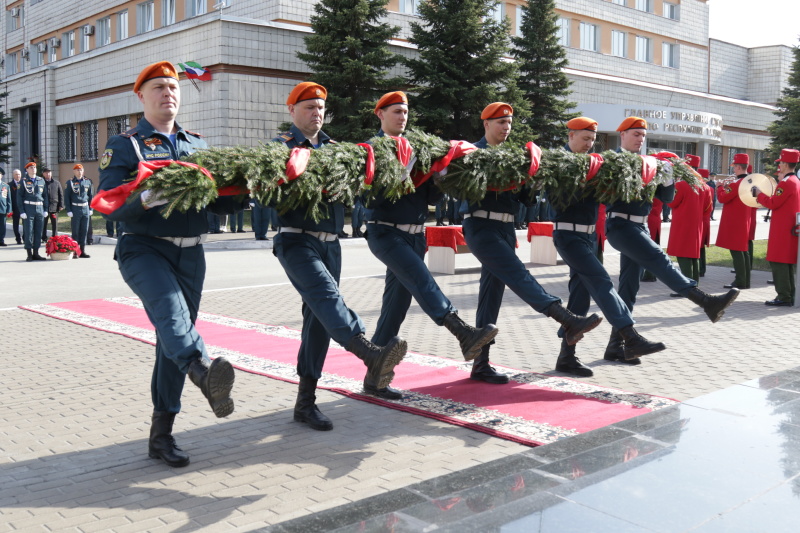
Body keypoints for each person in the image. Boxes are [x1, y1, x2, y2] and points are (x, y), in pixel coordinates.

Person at [96, 61, 240, 468]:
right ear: (141, 96)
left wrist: (246, 190)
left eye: (173, 87)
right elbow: (111, 202)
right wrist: (148, 195)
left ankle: (162, 436)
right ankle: (202, 370)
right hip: (144, 249)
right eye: (158, 87)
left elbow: (220, 199)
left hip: (191, 252)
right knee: (174, 318)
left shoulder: (197, 145)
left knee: (170, 343)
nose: (168, 93)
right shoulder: (126, 145)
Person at [272, 82, 407, 431]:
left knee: (318, 321)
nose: (316, 113)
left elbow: (358, 191)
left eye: (320, 108)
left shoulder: (337, 150)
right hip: (296, 240)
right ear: (292, 111)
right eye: (308, 107)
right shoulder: (279, 148)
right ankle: (368, 351)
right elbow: (270, 195)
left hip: (330, 243)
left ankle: (306, 402)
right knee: (328, 297)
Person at [364, 91, 499, 394]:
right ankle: (461, 332)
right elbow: (372, 193)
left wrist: (440, 178)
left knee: (395, 308)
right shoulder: (372, 149)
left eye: (405, 112)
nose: (402, 117)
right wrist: (405, 171)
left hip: (414, 235)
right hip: (385, 232)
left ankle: (374, 375)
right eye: (396, 111)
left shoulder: (417, 149)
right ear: (380, 115)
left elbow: (429, 198)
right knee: (423, 281)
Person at [462, 103, 603, 374]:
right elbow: (465, 191)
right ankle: (564, 317)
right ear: (486, 125)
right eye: (501, 122)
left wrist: (531, 183)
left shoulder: (514, 156)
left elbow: (524, 200)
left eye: (509, 123)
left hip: (505, 228)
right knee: (519, 276)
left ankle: (480, 363)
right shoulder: (473, 153)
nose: (506, 127)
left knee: (491, 295)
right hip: (480, 224)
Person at [603, 117, 740, 358]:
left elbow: (666, 199)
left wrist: (667, 178)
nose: (640, 139)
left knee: (628, 288)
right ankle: (705, 301)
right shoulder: (611, 161)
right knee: (659, 260)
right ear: (621, 134)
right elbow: (605, 196)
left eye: (643, 135)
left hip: (640, 226)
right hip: (620, 224)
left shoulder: (648, 163)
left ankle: (616, 346)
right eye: (635, 134)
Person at [552, 117, 664, 376]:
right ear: (570, 136)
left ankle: (586, 352)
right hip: (570, 235)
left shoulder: (597, 163)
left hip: (592, 236)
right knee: (595, 286)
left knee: (592, 294)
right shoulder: (562, 163)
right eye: (585, 139)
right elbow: (560, 202)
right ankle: (626, 338)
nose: (590, 144)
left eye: (593, 139)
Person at [752, 148, 800, 306]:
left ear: (786, 164)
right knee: (785, 262)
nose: (779, 166)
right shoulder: (796, 181)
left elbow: (773, 203)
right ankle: (789, 294)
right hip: (789, 227)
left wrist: (759, 194)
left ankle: (784, 296)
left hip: (782, 229)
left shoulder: (786, 183)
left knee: (779, 261)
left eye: (781, 163)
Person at [666, 154, 712, 293]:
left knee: (683, 255)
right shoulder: (704, 186)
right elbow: (707, 208)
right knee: (693, 255)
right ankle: (694, 284)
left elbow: (671, 202)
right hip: (696, 225)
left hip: (682, 224)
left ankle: (686, 288)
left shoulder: (681, 185)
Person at [716, 153, 753, 289]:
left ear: (738, 167)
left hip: (735, 221)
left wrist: (720, 187)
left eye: (734, 167)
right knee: (744, 251)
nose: (733, 170)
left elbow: (723, 198)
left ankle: (740, 281)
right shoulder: (750, 181)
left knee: (737, 251)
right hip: (744, 219)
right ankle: (746, 280)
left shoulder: (737, 183)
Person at [18, 162, 48, 261]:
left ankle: (36, 253)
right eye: (31, 168)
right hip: (28, 208)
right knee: (29, 231)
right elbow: (19, 197)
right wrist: (22, 211)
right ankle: (29, 253)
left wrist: (45, 209)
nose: (33, 169)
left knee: (38, 231)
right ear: (26, 170)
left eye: (34, 167)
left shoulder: (41, 180)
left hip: (39, 208)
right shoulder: (23, 181)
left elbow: (45, 196)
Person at [64, 163, 93, 258]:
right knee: (75, 231)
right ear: (74, 171)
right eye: (77, 170)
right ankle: (75, 251)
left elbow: (91, 196)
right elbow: (67, 197)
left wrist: (91, 208)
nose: (79, 172)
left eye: (81, 170)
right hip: (75, 208)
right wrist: (69, 210)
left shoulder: (88, 182)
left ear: (83, 171)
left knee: (84, 230)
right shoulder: (70, 183)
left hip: (85, 208)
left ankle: (83, 251)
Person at [40, 165, 63, 243]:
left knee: (55, 223)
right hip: (44, 206)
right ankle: (43, 237)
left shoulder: (56, 183)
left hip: (54, 206)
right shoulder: (41, 183)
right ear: (43, 174)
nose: (48, 174)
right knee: (43, 223)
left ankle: (55, 237)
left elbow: (60, 194)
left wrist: (61, 205)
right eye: (46, 173)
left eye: (49, 172)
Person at [698, 169, 714, 278]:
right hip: (705, 220)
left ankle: (700, 268)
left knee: (698, 247)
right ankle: (702, 268)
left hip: (700, 220)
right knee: (701, 247)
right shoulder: (710, 188)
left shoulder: (700, 188)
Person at [9, 169, 23, 244]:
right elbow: (9, 198)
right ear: (13, 175)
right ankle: (18, 238)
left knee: (26, 224)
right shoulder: (9, 185)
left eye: (19, 174)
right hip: (15, 208)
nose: (18, 176)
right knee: (16, 224)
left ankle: (25, 237)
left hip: (24, 208)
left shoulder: (25, 183)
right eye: (16, 174)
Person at [0, 177, 10, 246]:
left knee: (2, 226)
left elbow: (9, 199)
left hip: (2, 208)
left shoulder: (6, 186)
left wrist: (9, 209)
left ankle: (1, 240)